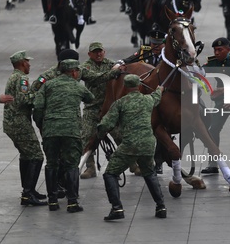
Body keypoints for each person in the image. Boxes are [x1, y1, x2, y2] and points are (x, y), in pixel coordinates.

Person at [97, 74, 167, 221]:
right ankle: (161, 206)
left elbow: (106, 124)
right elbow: (156, 96)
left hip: (130, 145)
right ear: (139, 86)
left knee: (110, 173)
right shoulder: (148, 100)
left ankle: (117, 208)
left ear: (125, 87)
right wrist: (159, 89)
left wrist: (99, 133)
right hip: (148, 144)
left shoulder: (120, 103)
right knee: (149, 173)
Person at [33, 59, 95, 213]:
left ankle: (52, 201)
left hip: (51, 130)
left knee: (51, 164)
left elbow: (38, 107)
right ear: (73, 72)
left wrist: (42, 125)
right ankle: (72, 202)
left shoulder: (48, 85)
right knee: (72, 165)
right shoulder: (76, 86)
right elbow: (91, 98)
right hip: (71, 131)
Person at [31, 49, 80, 199]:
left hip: (70, 122)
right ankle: (58, 187)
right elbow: (34, 94)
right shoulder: (46, 77)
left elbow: (94, 77)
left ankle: (64, 186)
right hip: (52, 122)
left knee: (68, 157)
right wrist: (42, 122)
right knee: (55, 158)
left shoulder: (76, 72)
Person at [3, 50, 47, 206]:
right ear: (22, 63)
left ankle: (29, 190)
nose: (30, 64)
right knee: (37, 156)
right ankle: (27, 194)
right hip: (19, 123)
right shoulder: (22, 78)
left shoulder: (14, 76)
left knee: (26, 155)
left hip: (12, 123)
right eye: (28, 61)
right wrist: (39, 94)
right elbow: (23, 100)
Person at [121, 30, 166, 174]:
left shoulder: (169, 57)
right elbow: (128, 60)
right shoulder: (144, 52)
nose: (156, 47)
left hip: (162, 98)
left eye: (159, 44)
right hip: (144, 97)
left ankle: (158, 162)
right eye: (154, 44)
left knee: (162, 131)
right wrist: (119, 64)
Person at [80, 42, 123, 179]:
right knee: (86, 137)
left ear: (104, 52)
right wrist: (114, 72)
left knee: (120, 136)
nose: (98, 54)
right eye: (95, 52)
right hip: (92, 108)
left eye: (100, 51)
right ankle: (90, 168)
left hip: (109, 108)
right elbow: (95, 79)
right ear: (89, 54)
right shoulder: (85, 67)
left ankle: (133, 164)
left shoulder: (110, 64)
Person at [201, 37, 230, 174]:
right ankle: (213, 163)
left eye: (220, 50)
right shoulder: (213, 62)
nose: (217, 53)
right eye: (215, 50)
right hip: (221, 103)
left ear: (228, 50)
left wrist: (222, 90)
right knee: (213, 130)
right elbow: (200, 73)